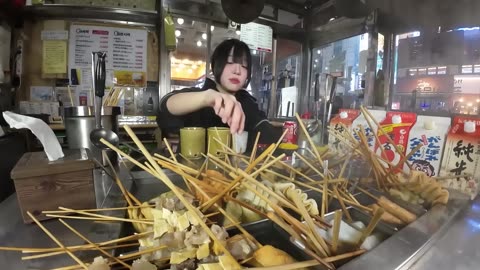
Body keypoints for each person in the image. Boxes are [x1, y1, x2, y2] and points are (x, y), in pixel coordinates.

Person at [157, 39, 282, 152]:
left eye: (244, 65)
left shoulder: (248, 103)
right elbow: (165, 105)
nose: (237, 70)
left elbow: (269, 135)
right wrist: (207, 98)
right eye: (230, 61)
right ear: (216, 65)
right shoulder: (200, 96)